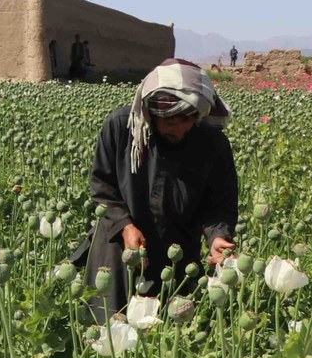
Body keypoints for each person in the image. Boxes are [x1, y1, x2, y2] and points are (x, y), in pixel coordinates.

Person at [71, 58, 237, 321]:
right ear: (151, 114)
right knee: (109, 326)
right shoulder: (121, 128)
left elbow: (219, 205)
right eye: (171, 122)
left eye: (188, 120)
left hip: (177, 251)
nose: (180, 129)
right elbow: (102, 188)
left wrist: (217, 238)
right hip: (118, 245)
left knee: (169, 328)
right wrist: (125, 226)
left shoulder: (211, 144)